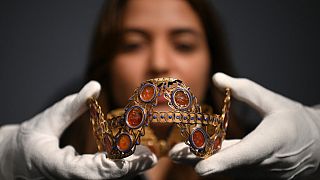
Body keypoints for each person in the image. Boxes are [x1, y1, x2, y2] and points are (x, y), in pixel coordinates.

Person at [1, 0, 320, 180]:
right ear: (106, 65)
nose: (158, 62)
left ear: (212, 60)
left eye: (183, 44)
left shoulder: (267, 164)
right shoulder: (50, 159)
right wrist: (6, 157)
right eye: (132, 44)